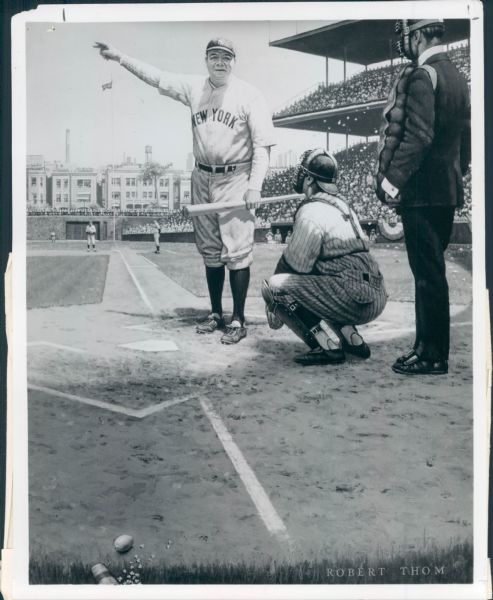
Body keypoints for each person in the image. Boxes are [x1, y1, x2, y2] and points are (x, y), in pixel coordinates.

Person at [94, 37, 276, 344]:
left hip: (236, 177)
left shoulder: (249, 95)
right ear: (206, 60)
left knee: (238, 252)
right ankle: (216, 313)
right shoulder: (194, 87)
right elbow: (157, 77)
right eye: (215, 56)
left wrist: (255, 186)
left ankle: (239, 318)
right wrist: (120, 58)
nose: (221, 62)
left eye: (226, 57)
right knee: (210, 253)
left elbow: (263, 146)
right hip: (201, 177)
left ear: (234, 62)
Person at [375, 19, 470, 375]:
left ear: (417, 35)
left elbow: (417, 136)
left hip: (421, 194)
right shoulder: (457, 76)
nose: (405, 43)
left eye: (406, 36)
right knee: (432, 274)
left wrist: (392, 181)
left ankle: (431, 355)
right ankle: (424, 348)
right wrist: (454, 174)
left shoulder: (421, 76)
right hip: (446, 191)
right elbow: (467, 142)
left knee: (427, 275)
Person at [262, 149, 387, 366]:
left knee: (273, 286)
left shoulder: (311, 210)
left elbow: (295, 265)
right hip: (376, 293)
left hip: (354, 297)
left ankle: (325, 346)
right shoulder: (343, 204)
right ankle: (353, 340)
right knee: (324, 281)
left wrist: (273, 303)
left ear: (309, 178)